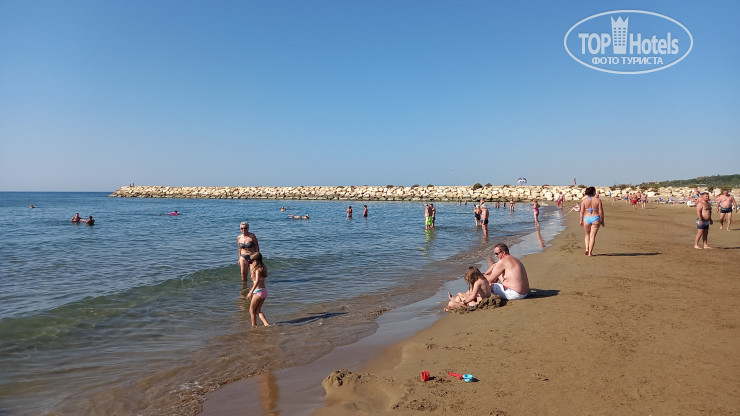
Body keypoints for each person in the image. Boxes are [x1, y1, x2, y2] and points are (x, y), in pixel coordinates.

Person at [245, 252, 270, 327]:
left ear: (255, 261)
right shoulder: (263, 268)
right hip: (264, 291)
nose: (251, 262)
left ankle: (254, 326)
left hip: (258, 292)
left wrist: (250, 292)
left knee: (251, 310)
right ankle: (266, 324)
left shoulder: (257, 270)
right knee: (257, 310)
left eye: (252, 261)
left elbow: (257, 281)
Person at [579, 186, 605, 256]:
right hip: (595, 218)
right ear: (593, 192)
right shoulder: (598, 200)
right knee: (592, 236)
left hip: (586, 218)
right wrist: (602, 220)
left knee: (587, 235)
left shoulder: (584, 201)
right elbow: (601, 212)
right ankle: (590, 253)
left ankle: (587, 248)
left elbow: (581, 212)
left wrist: (581, 221)